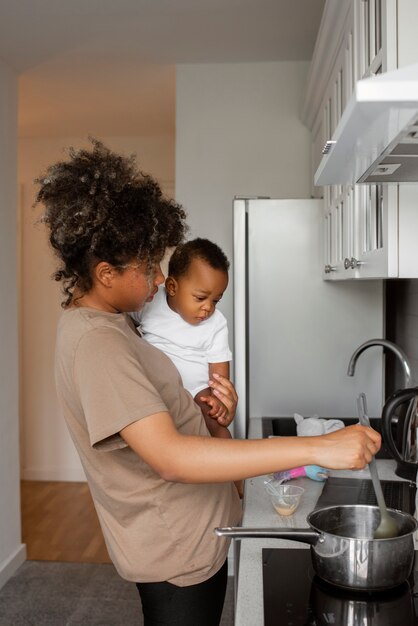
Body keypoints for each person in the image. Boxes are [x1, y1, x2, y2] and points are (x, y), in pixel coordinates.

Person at [36, 138, 381, 626]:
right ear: (106, 273)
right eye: (147, 265)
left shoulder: (117, 325)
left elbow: (174, 423)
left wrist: (218, 417)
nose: (159, 279)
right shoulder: (97, 344)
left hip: (197, 531)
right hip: (175, 550)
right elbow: (172, 459)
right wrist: (318, 448)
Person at [131, 238, 233, 439]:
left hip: (196, 388)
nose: (208, 308)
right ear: (172, 287)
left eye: (216, 300)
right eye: (200, 298)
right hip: (156, 381)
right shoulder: (150, 303)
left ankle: (231, 464)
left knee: (214, 422)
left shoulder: (216, 323)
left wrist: (219, 400)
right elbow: (124, 321)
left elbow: (219, 370)